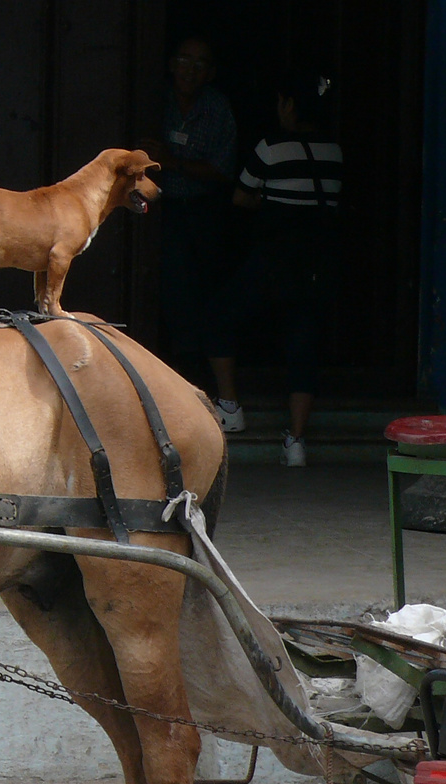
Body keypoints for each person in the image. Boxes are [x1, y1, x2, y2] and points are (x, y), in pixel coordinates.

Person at [205, 70, 343, 466]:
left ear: (289, 106)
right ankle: (296, 442)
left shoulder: (272, 146)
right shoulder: (334, 151)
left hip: (272, 261)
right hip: (314, 264)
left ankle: (230, 408)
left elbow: (241, 198)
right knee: (303, 343)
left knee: (220, 316)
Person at [141, 37, 237, 380]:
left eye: (200, 63)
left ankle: (198, 366)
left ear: (210, 72)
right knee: (166, 285)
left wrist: (172, 162)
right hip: (159, 211)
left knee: (204, 288)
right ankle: (171, 366)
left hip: (203, 208)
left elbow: (224, 170)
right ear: (171, 64)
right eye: (184, 59)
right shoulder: (153, 99)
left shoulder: (218, 109)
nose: (190, 70)